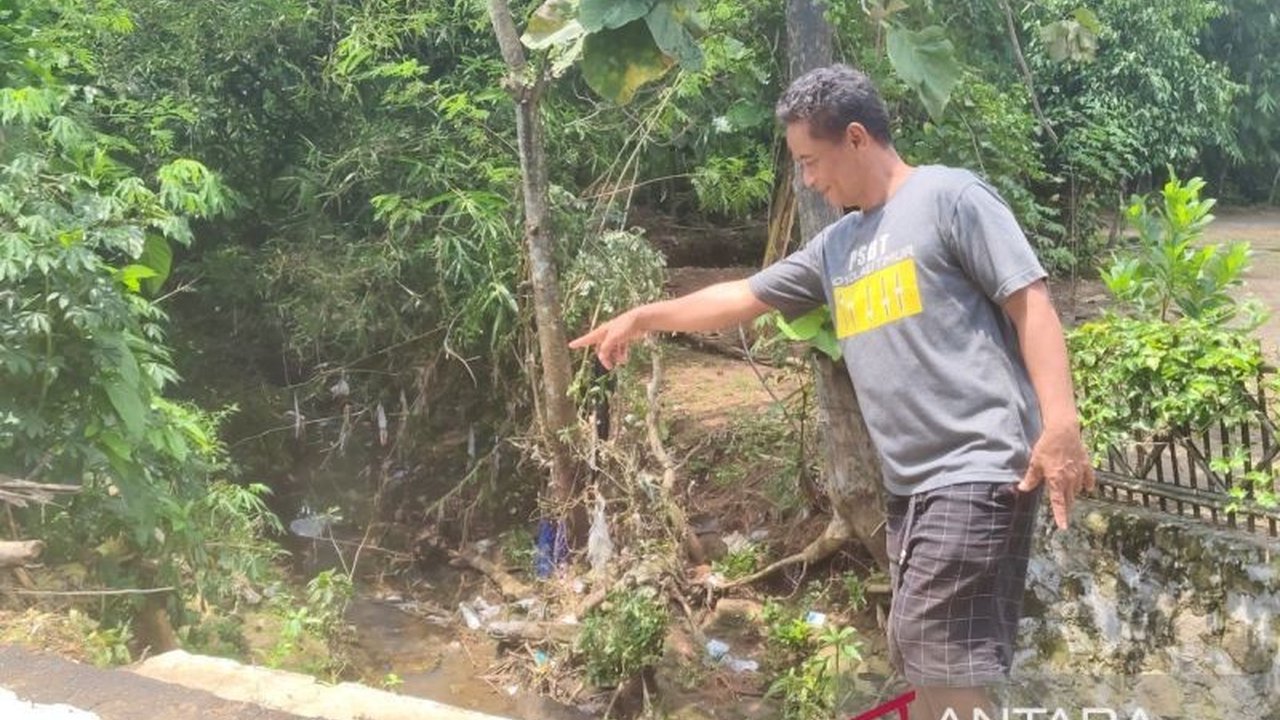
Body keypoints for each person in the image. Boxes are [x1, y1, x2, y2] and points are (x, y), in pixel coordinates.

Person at [569, 64, 1094, 719]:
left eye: (811, 161)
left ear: (855, 138)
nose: (809, 180)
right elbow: (742, 296)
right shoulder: (838, 246)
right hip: (913, 489)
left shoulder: (950, 198)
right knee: (928, 656)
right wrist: (645, 316)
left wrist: (1061, 424)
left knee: (938, 652)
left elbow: (1030, 303)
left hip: (977, 466)